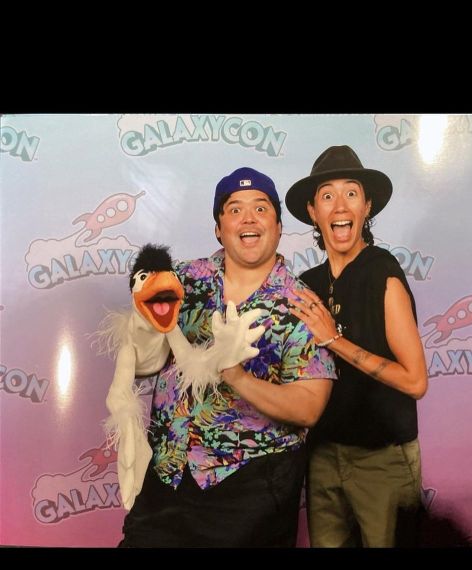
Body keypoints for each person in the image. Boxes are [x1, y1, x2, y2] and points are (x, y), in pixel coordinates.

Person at [119, 167, 336, 547]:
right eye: (235, 209)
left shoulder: (301, 305)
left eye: (261, 208)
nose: (248, 218)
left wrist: (236, 375)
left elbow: (308, 407)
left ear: (279, 227)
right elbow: (145, 361)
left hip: (249, 489)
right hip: (168, 474)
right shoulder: (181, 281)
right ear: (219, 228)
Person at [285, 145, 428, 548]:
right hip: (322, 458)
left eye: (351, 193)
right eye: (327, 196)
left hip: (383, 458)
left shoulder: (383, 274)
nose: (340, 206)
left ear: (367, 206)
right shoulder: (306, 284)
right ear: (313, 211)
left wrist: (334, 340)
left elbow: (416, 381)